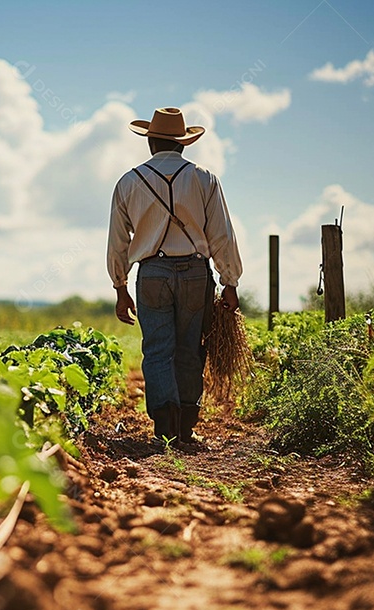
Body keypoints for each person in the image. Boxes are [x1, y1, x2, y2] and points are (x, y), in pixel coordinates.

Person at [107, 107, 242, 446]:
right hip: (197, 272)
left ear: (150, 141)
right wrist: (230, 282)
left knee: (156, 350)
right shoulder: (205, 178)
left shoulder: (128, 181)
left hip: (151, 273)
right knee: (190, 349)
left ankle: (164, 430)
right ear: (183, 144)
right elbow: (222, 235)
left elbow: (118, 241)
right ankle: (186, 429)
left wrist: (120, 287)